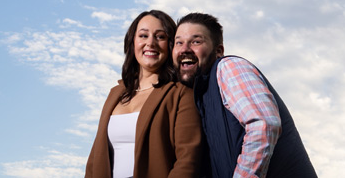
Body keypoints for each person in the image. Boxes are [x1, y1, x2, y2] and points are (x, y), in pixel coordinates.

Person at [173, 12, 318, 178]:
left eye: (196, 41)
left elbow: (264, 124)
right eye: (179, 42)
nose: (184, 49)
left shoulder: (228, 66)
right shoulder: (204, 96)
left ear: (218, 50)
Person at [86, 10, 203, 178]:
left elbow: (188, 160)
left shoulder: (181, 95)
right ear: (132, 42)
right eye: (143, 36)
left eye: (160, 37)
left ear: (170, 44)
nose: (151, 43)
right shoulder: (115, 94)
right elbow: (95, 158)